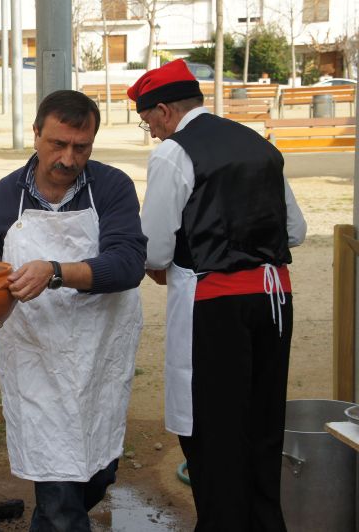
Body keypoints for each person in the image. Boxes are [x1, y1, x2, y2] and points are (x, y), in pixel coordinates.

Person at [0, 90, 146, 531]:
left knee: (95, 472)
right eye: (57, 144)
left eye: (80, 147)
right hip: (36, 356)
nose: (68, 158)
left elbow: (127, 264)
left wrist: (56, 272)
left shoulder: (111, 188)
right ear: (36, 135)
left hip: (96, 351)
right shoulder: (6, 195)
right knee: (60, 484)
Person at [129, 59, 307, 531]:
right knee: (264, 423)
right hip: (275, 299)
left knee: (215, 430)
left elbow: (158, 246)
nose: (151, 133)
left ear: (164, 111)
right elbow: (296, 229)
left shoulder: (174, 153)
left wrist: (161, 265)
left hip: (216, 302)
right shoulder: (258, 143)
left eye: (149, 123)